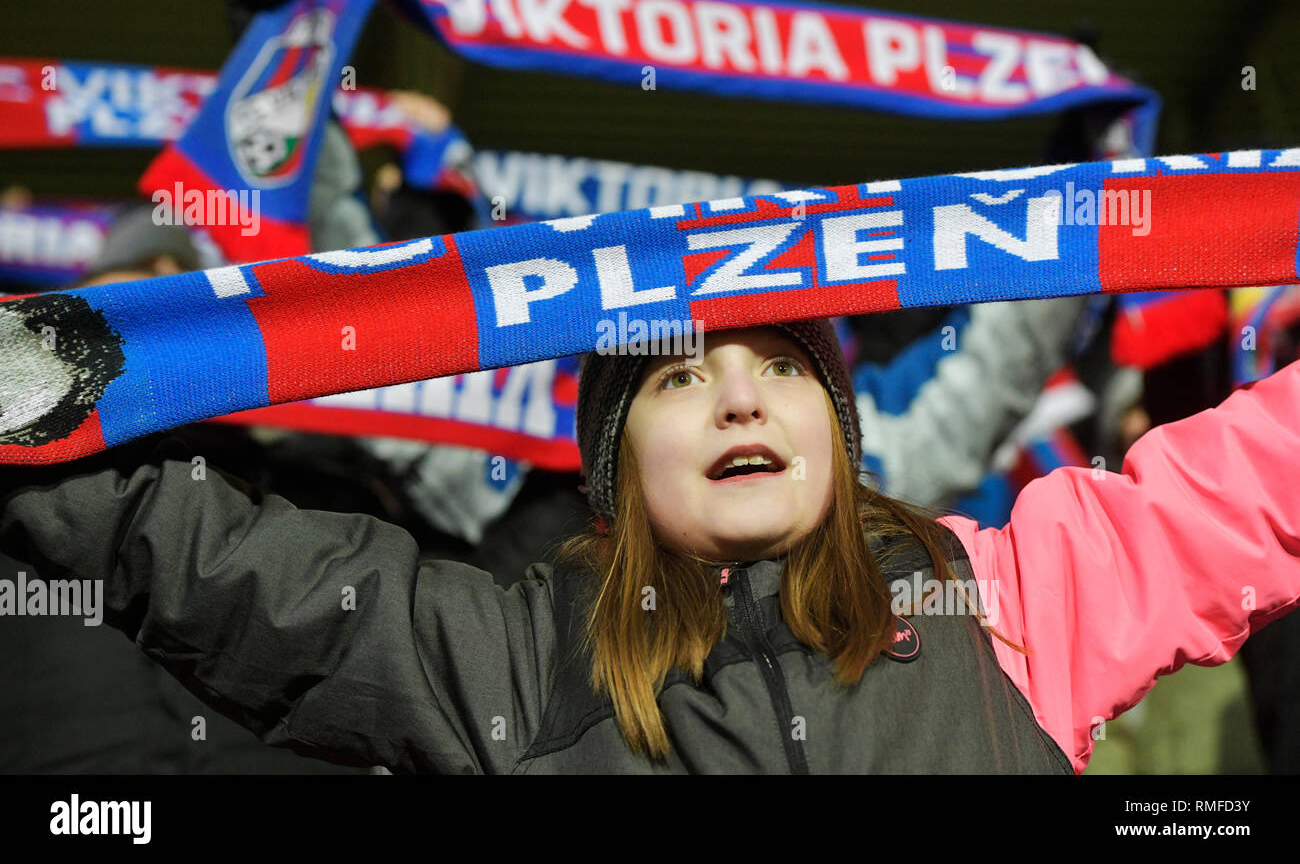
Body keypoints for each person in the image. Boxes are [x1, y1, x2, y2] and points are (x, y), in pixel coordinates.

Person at [3, 317, 1300, 773]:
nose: (738, 398)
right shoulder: (523, 665)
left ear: (840, 434)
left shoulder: (1009, 598)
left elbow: (1249, 480)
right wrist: (36, 413)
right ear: (615, 474)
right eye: (678, 383)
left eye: (780, 372)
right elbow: (262, 586)